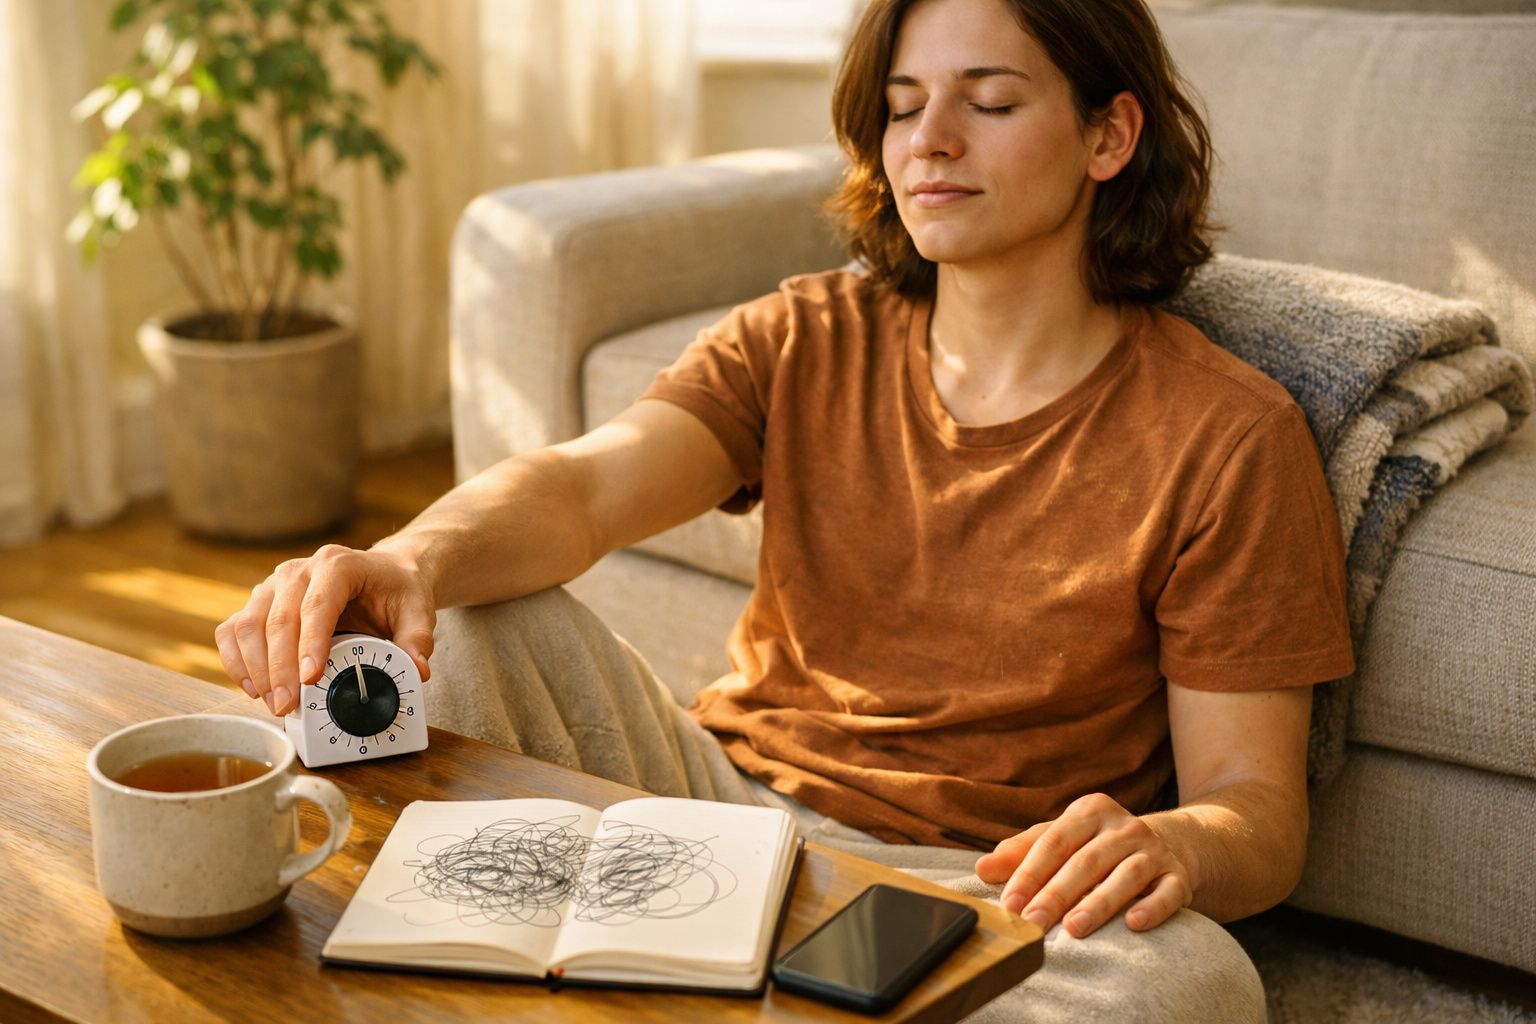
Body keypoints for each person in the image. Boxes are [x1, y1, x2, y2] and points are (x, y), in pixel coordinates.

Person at [217, 0, 1354, 1018]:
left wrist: (1172, 849)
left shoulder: (1228, 435)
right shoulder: (807, 334)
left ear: (1111, 135)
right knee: (468, 613)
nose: (931, 142)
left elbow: (1254, 808)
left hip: (990, 889)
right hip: (719, 808)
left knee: (1195, 982)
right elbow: (581, 486)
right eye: (904, 108)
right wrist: (410, 558)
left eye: (990, 101)